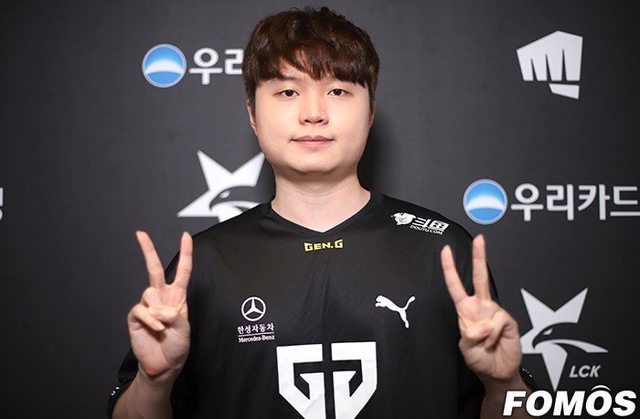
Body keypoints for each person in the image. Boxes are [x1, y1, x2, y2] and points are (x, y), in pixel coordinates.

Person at [109, 7, 534, 418]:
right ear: (253, 115)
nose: (313, 113)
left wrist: (504, 384)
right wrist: (154, 380)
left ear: (370, 111)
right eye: (288, 92)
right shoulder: (205, 262)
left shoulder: (442, 250)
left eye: (337, 91)